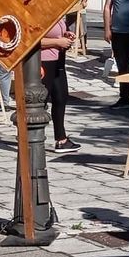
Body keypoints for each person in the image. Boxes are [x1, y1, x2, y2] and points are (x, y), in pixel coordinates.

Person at [41, 15, 79, 156]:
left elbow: (56, 33)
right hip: (44, 61)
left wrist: (66, 35)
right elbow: (34, 41)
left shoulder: (56, 12)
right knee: (41, 100)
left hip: (58, 59)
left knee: (61, 96)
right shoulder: (39, 14)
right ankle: (29, 136)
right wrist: (58, 42)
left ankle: (61, 139)